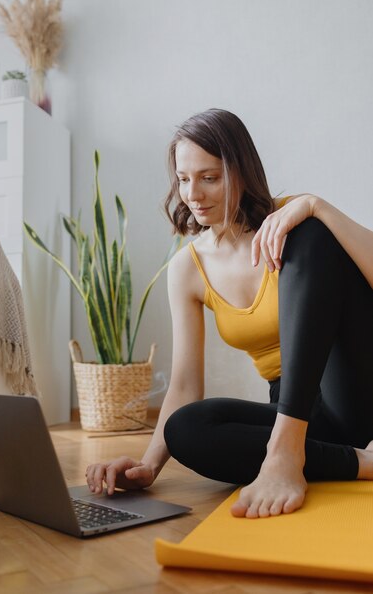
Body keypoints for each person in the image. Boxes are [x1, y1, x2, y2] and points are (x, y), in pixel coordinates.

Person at [86, 108, 373, 519]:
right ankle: (355, 462)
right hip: (302, 413)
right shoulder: (187, 268)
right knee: (185, 427)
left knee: (309, 231)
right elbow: (185, 384)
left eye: (209, 177)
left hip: (357, 388)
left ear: (241, 172)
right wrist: (148, 465)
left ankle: (287, 450)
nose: (193, 194)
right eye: (184, 179)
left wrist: (316, 206)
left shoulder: (295, 222)